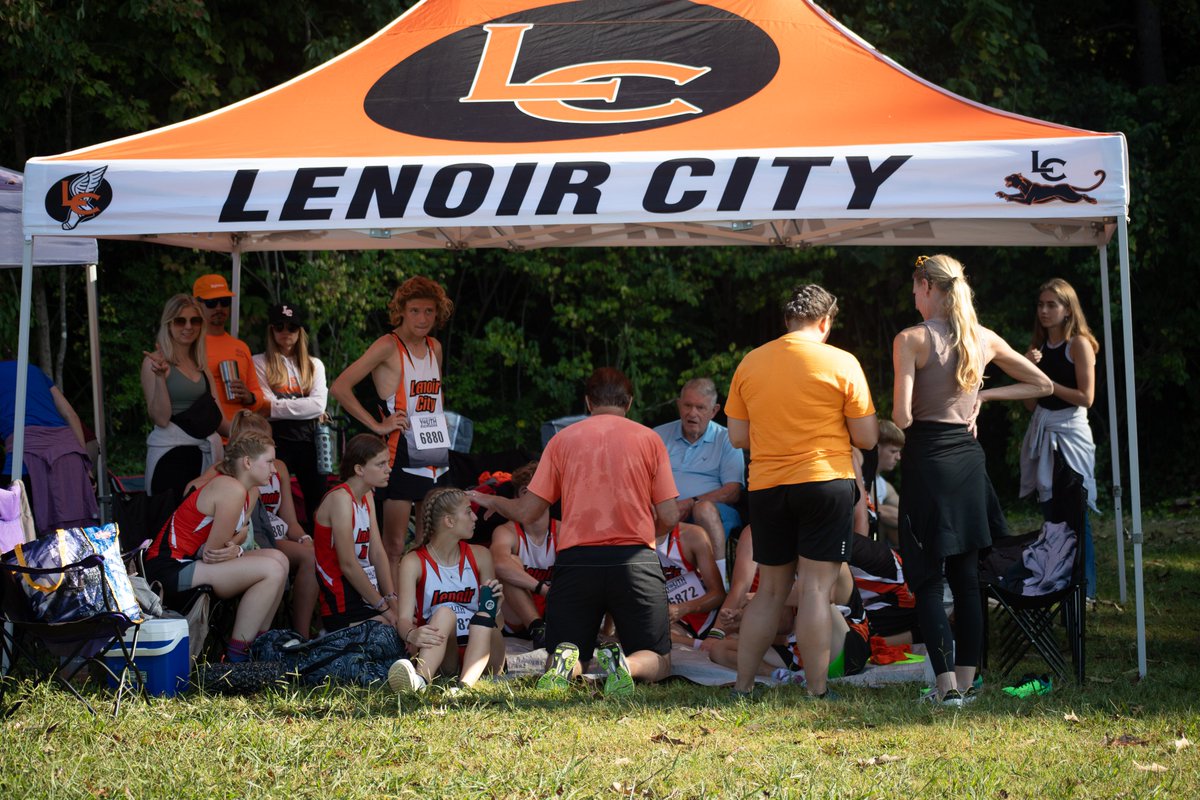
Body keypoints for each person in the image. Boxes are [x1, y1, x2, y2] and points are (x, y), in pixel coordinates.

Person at [892, 254, 1051, 706]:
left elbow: (903, 416)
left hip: (928, 460)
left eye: (914, 287)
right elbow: (1042, 384)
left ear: (926, 285)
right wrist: (984, 393)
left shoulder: (911, 339)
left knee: (925, 579)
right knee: (966, 578)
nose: (912, 295)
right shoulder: (983, 338)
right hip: (968, 461)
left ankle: (945, 691)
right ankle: (965, 685)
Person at [468, 367, 679, 696]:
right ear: (630, 402)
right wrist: (648, 533)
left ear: (588, 402)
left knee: (564, 654)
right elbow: (669, 513)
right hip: (635, 557)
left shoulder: (562, 440)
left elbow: (527, 511)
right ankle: (626, 665)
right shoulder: (649, 439)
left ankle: (566, 663)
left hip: (576, 561)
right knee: (660, 660)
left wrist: (491, 499)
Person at [725, 284, 878, 699]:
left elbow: (738, 436)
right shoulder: (842, 362)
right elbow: (866, 437)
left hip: (769, 486)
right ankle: (816, 690)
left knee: (771, 589)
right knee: (815, 589)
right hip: (825, 480)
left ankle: (742, 686)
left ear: (787, 320)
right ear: (826, 321)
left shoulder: (751, 362)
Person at [330, 276, 454, 573]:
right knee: (395, 544)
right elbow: (340, 387)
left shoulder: (434, 346)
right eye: (414, 311)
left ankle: (422, 608)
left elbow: (435, 393)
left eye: (428, 311)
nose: (422, 318)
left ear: (438, 312)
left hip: (433, 446)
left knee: (431, 539)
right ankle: (395, 613)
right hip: (400, 451)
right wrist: (377, 424)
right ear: (401, 311)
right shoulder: (388, 345)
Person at [145, 430, 290, 662]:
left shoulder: (248, 491)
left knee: (279, 559)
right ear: (248, 462)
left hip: (194, 563)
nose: (275, 470)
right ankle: (236, 658)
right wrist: (237, 546)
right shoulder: (230, 488)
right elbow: (215, 554)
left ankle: (260, 647)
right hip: (170, 569)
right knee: (271, 569)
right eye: (270, 462)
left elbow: (238, 537)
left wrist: (237, 546)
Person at [203, 411, 319, 638]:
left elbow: (290, 522)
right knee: (279, 559)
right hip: (255, 538)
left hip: (276, 533)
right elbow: (196, 490)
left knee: (312, 553)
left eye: (269, 440)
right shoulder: (225, 472)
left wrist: (304, 538)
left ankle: (300, 635)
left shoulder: (279, 468)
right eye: (261, 441)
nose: (268, 447)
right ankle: (257, 639)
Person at [1019, 278, 1100, 601]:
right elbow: (1029, 403)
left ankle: (1086, 588)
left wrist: (1046, 384)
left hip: (1071, 434)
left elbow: (1087, 396)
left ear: (1068, 309)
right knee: (1052, 515)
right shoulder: (1037, 349)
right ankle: (1057, 582)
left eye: (1052, 304)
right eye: (1041, 304)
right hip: (1044, 431)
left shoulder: (1077, 344)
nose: (1044, 310)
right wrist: (1028, 368)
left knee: (1076, 511)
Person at [390, 487, 506, 693]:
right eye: (468, 512)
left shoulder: (481, 555)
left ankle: (463, 688)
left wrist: (496, 608)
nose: (475, 518)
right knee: (444, 612)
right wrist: (412, 634)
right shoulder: (413, 561)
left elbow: (497, 624)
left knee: (483, 614)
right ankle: (419, 682)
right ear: (449, 521)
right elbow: (404, 620)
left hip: (484, 654)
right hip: (442, 652)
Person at [653, 378, 745, 582]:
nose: (692, 413)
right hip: (665, 509)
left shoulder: (727, 438)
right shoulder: (658, 436)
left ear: (714, 411)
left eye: (700, 407)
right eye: (687, 405)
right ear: (678, 404)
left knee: (703, 509)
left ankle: (719, 582)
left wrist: (691, 502)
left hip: (712, 513)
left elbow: (732, 491)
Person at [311, 434, 401, 635]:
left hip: (365, 588)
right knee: (390, 631)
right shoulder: (341, 499)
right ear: (359, 469)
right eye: (380, 464)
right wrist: (384, 607)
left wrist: (391, 600)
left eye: (388, 462)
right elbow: (348, 564)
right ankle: (327, 636)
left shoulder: (367, 494)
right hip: (342, 595)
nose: (388, 469)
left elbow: (377, 552)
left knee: (405, 622)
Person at [141, 294, 226, 498]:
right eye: (180, 321)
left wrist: (252, 430)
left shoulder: (201, 366)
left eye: (194, 320)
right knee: (170, 524)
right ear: (168, 324)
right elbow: (161, 419)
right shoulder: (153, 363)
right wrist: (160, 377)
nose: (188, 326)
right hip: (170, 458)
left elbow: (219, 420)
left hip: (204, 460)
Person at [253, 302, 328, 526]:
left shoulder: (315, 365)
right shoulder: (258, 362)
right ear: (271, 330)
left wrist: (276, 407)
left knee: (318, 501)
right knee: (272, 499)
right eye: (279, 326)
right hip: (275, 440)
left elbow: (318, 405)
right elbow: (262, 404)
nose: (286, 332)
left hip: (310, 440)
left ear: (300, 331)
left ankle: (318, 552)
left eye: (292, 327)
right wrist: (301, 405)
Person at [0, 358, 97, 533]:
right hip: (69, 452)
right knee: (75, 536)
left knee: (19, 530)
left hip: (27, 455)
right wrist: (86, 466)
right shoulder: (32, 370)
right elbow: (71, 415)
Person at [489, 461, 557, 645]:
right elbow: (499, 564)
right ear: (518, 497)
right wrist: (542, 589)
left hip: (554, 608)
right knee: (510, 562)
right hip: (516, 614)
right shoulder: (507, 531)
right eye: (525, 493)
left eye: (536, 492)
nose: (531, 500)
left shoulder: (562, 530)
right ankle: (537, 629)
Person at [193, 274, 268, 425]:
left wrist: (250, 397)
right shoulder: (190, 343)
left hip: (236, 435)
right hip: (201, 435)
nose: (219, 307)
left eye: (225, 301)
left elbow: (258, 394)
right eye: (211, 303)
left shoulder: (240, 347)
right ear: (196, 304)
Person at [655, 521, 726, 644]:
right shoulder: (632, 542)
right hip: (674, 623)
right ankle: (701, 645)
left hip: (708, 616)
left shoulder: (692, 535)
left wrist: (682, 608)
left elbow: (718, 594)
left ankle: (704, 645)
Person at [872, 420, 904, 546]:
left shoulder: (884, 486)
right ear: (877, 448)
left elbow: (905, 513)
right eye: (893, 451)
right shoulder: (858, 479)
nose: (898, 457)